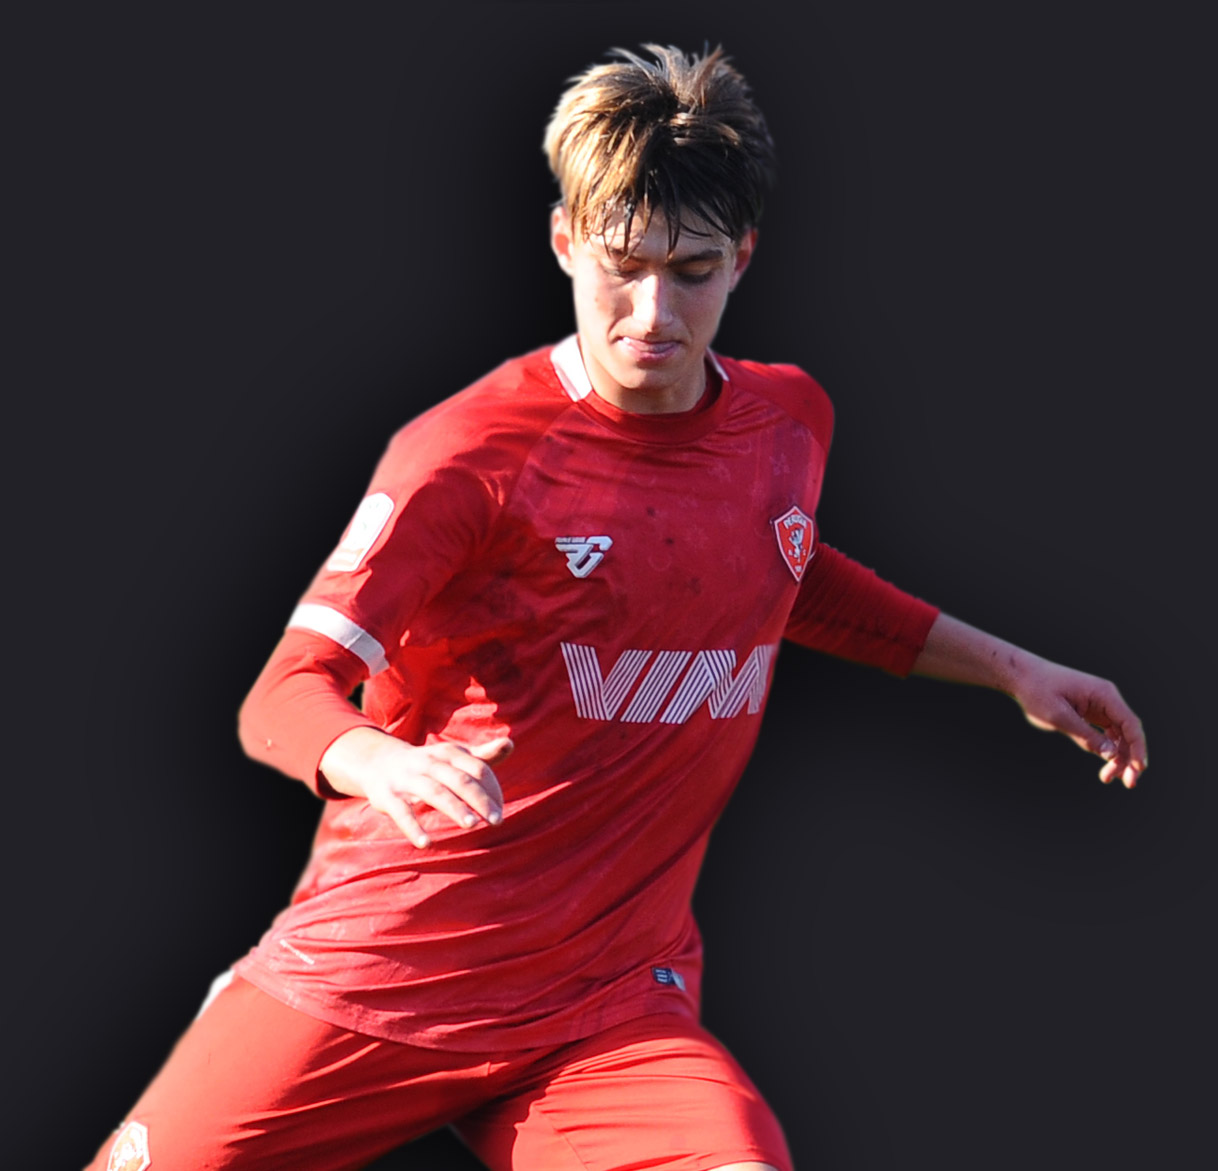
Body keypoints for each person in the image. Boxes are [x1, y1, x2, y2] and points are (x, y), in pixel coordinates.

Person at [87, 43, 1146, 1171]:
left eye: (691, 271)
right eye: (621, 265)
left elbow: (778, 572)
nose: (652, 311)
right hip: (385, 972)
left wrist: (1012, 669)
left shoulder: (788, 424)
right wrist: (379, 760)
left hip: (605, 1003)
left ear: (743, 259)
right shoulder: (469, 455)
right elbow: (280, 698)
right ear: (561, 242)